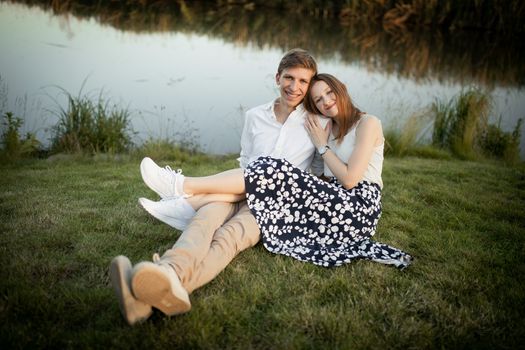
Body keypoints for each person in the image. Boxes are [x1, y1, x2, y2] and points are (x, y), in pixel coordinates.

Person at [110, 48, 325, 325]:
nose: (294, 87)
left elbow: (320, 175)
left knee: (229, 236)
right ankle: (165, 277)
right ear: (277, 77)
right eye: (289, 78)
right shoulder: (255, 116)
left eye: (303, 81)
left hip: (274, 205)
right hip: (239, 187)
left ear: (309, 85)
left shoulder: (316, 122)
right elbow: (246, 160)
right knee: (204, 221)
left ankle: (159, 284)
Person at [131, 73, 412, 270]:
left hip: (357, 207)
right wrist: (294, 185)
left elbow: (350, 180)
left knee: (270, 167)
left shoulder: (368, 123)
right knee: (267, 172)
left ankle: (182, 186)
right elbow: (325, 178)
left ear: (342, 89)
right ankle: (184, 204)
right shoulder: (328, 127)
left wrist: (322, 147)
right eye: (317, 100)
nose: (326, 101)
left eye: (329, 93)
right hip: (334, 200)